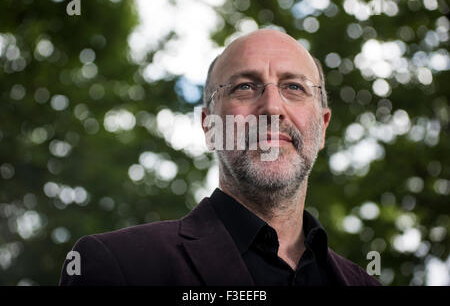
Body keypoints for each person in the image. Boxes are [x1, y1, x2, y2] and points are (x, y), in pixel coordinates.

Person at [59, 29, 381, 286]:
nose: (271, 108)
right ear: (209, 126)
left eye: (294, 87)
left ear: (322, 128)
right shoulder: (118, 266)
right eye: (244, 87)